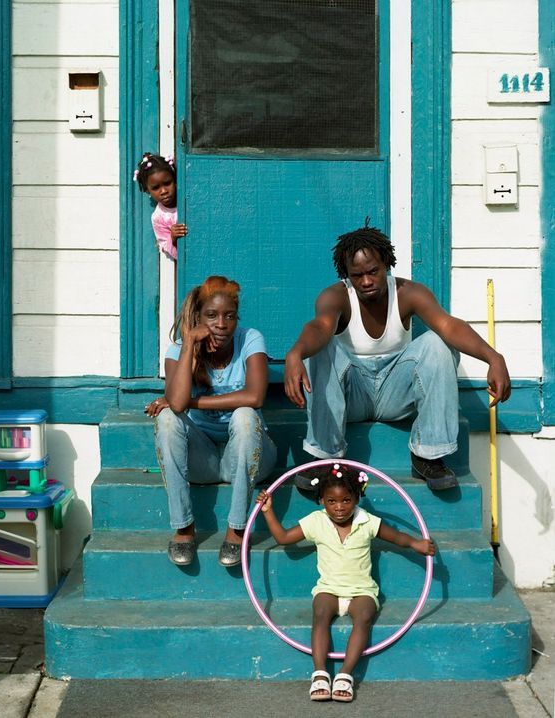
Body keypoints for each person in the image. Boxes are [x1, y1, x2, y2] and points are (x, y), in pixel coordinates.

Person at [284, 225, 511, 491]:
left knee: (439, 343)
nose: (366, 281)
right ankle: (325, 459)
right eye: (357, 275)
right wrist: (295, 353)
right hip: (350, 395)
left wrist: (493, 357)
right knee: (318, 350)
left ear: (387, 264)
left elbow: (449, 326)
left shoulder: (408, 293)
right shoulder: (335, 296)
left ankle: (428, 455)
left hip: (396, 393)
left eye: (373, 271)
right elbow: (320, 327)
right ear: (347, 275)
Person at [257, 463, 435, 702]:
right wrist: (268, 511)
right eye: (332, 501)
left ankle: (344, 675)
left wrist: (417, 544)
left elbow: (396, 537)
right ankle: (320, 673)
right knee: (320, 612)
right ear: (321, 500)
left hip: (362, 590)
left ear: (356, 498)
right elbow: (283, 538)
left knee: (363, 617)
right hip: (329, 588)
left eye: (346, 501)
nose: (339, 508)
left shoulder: (367, 521)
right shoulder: (316, 521)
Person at [147, 276, 277, 567]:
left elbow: (255, 396)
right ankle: (184, 527)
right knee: (168, 417)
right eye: (212, 315)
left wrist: (193, 402)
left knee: (245, 415)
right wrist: (190, 343)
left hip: (247, 455)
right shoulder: (177, 350)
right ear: (198, 317)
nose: (221, 323)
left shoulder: (250, 339)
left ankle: (236, 528)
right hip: (201, 460)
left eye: (229, 316)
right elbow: (176, 405)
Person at [133, 152, 187, 260]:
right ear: (147, 190)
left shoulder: (188, 200)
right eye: (156, 187)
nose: (163, 191)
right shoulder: (158, 217)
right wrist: (173, 238)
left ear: (176, 180)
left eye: (167, 183)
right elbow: (171, 252)